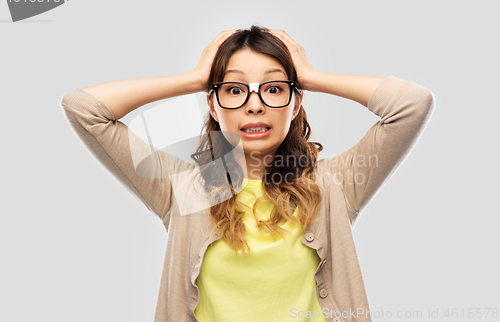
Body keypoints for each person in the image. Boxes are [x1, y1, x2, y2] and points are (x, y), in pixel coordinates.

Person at [60, 25, 435, 322]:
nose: (254, 106)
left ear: (295, 101)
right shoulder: (183, 189)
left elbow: (412, 105)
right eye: (235, 90)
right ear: (212, 102)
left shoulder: (333, 185)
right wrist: (194, 79)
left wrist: (308, 75)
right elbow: (85, 109)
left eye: (273, 89)